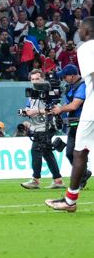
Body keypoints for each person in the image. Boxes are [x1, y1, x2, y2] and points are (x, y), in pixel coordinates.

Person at [49, 20, 94, 212]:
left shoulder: (86, 48)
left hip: (92, 111)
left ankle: (70, 200)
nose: (79, 31)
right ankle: (69, 199)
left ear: (86, 30)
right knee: (79, 152)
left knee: (79, 152)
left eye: (80, 28)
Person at [19, 75, 64, 190]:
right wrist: (24, 112)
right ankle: (58, 180)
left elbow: (55, 109)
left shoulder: (49, 93)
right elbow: (28, 110)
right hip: (36, 127)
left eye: (37, 79)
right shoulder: (31, 96)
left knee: (36, 150)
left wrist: (36, 111)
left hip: (46, 126)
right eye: (32, 79)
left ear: (43, 80)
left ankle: (36, 180)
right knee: (47, 153)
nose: (34, 82)